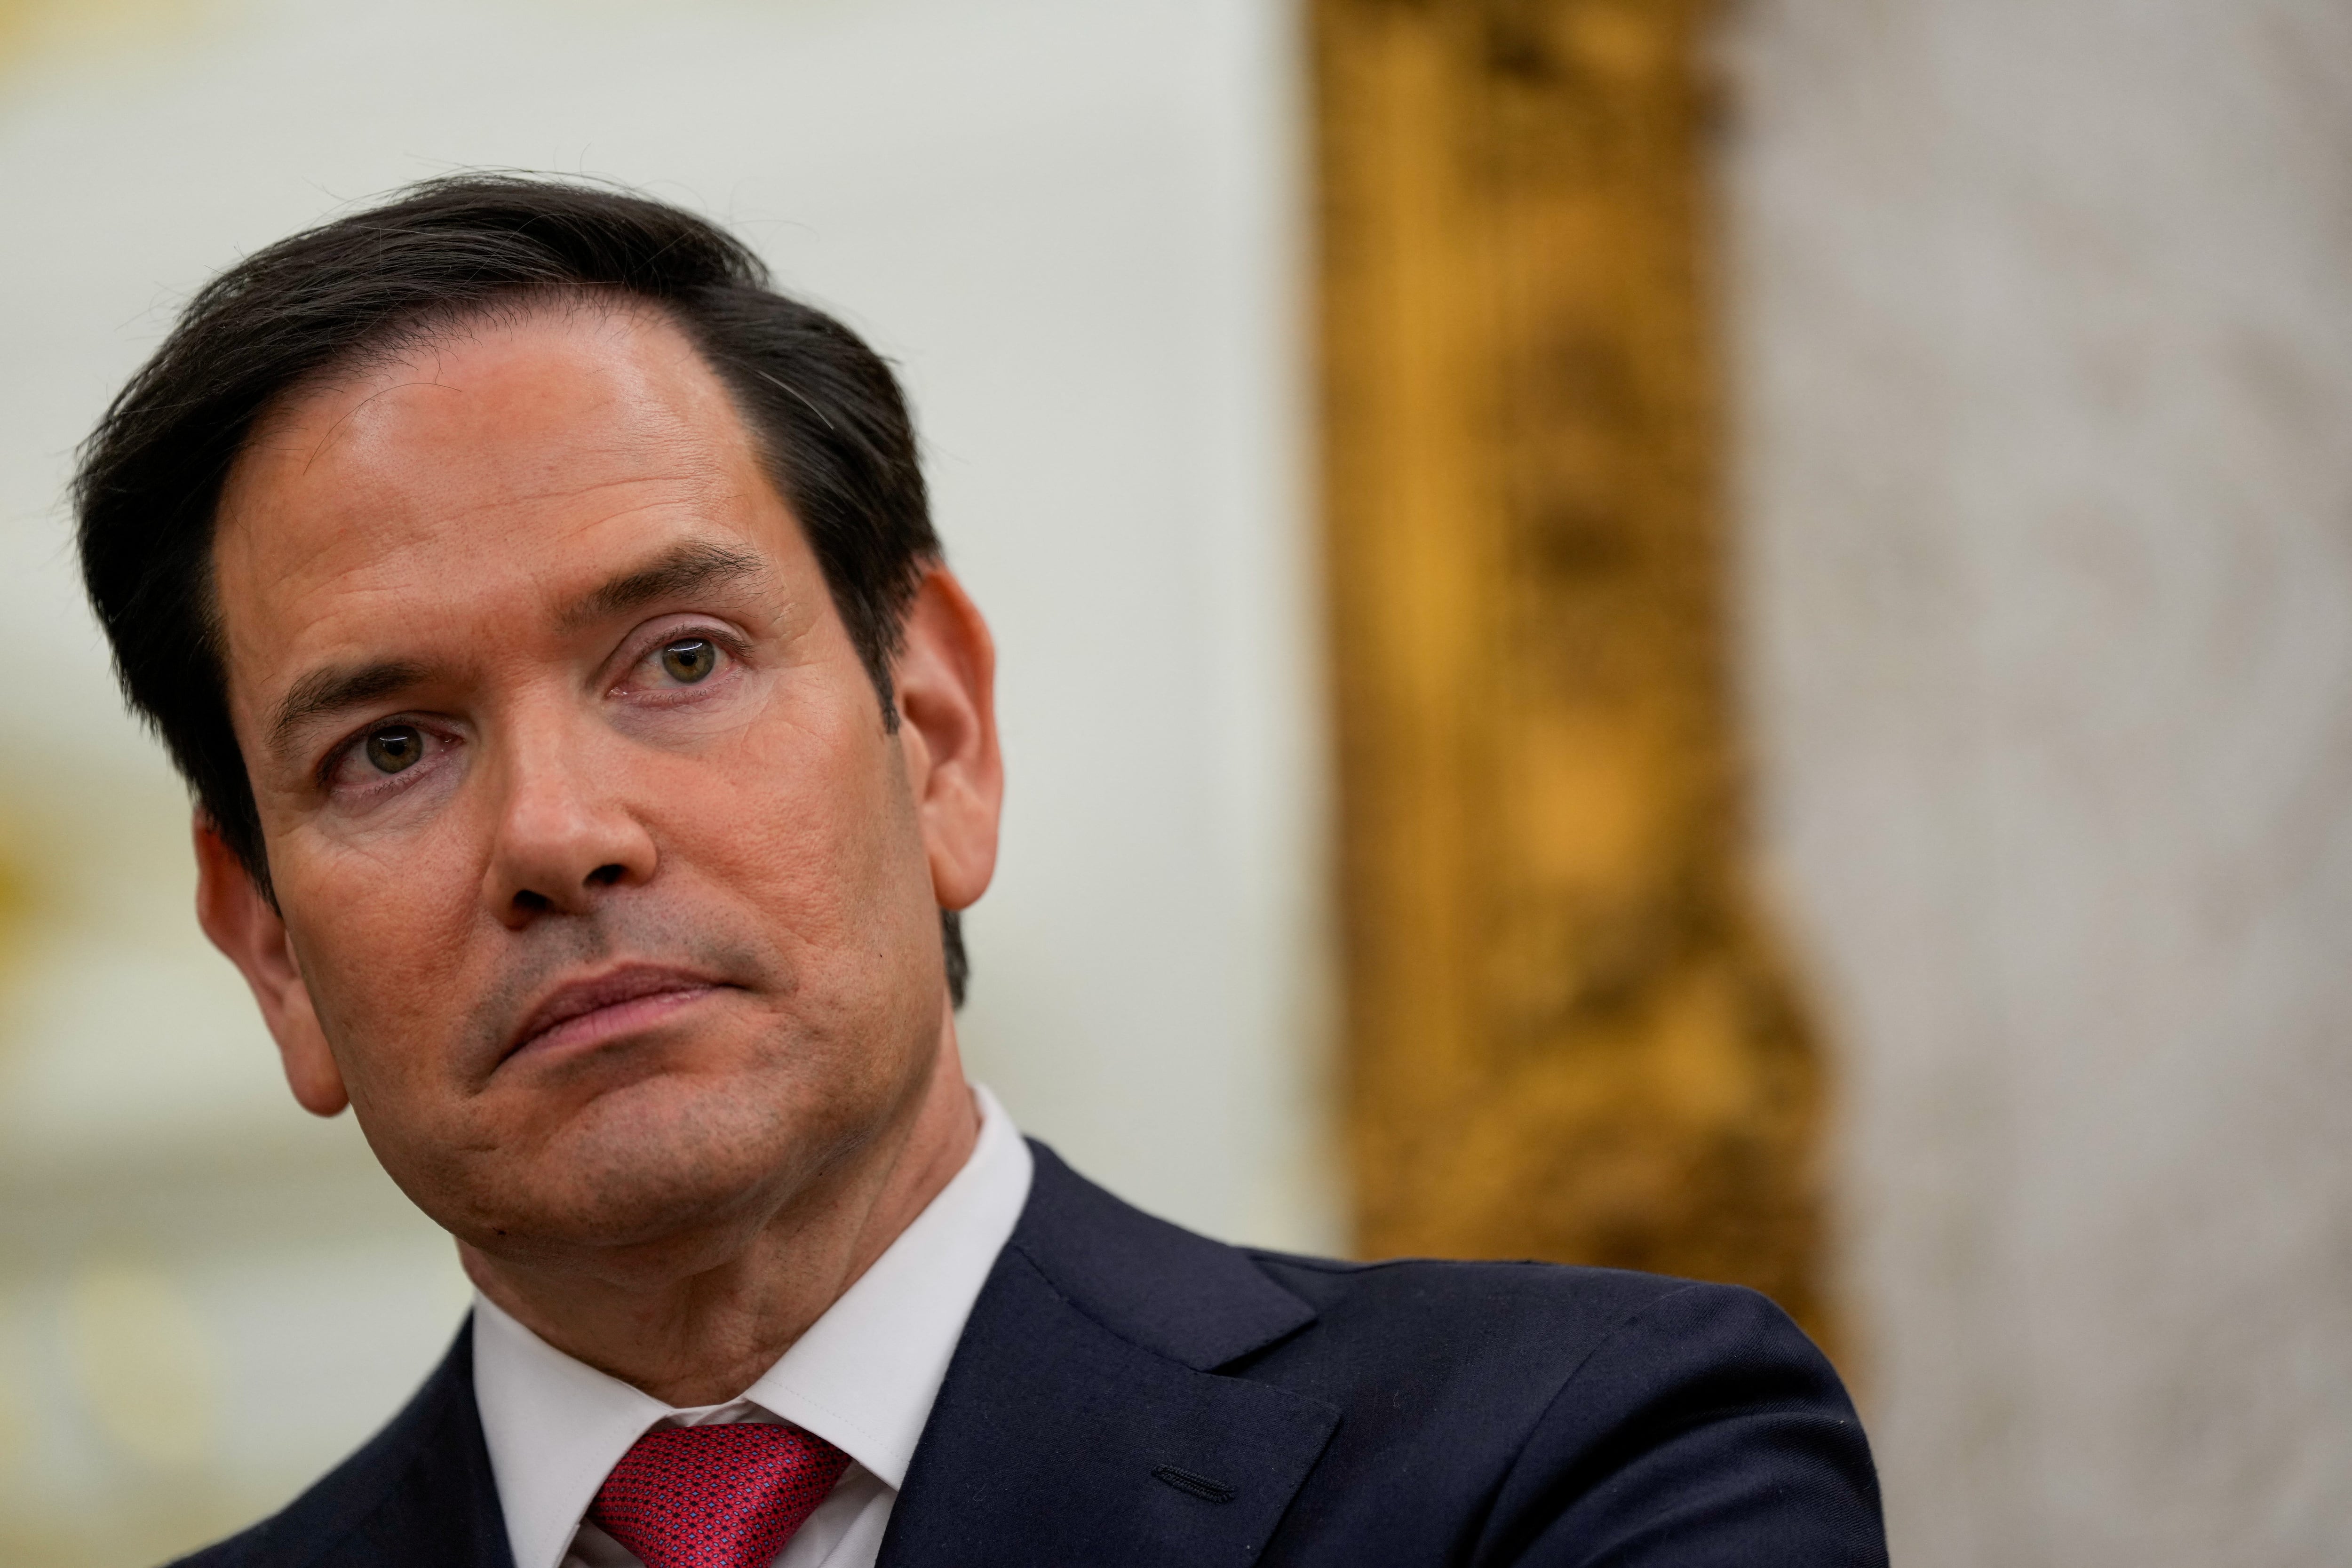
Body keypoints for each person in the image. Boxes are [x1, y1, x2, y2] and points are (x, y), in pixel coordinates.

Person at [75, 176, 1886, 1568]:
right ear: (273, 952)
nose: (557, 834)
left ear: (935, 738)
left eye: (681, 659)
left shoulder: (1581, 1459)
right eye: (390, 748)